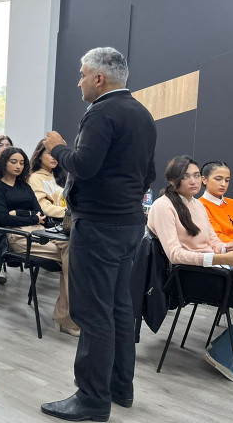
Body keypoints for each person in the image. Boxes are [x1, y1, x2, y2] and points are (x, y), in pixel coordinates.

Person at [41, 47, 156, 421]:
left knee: (92, 312)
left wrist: (57, 147)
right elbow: (148, 174)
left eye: (81, 74)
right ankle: (121, 387)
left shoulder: (102, 112)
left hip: (100, 226)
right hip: (129, 225)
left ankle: (91, 398)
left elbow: (84, 165)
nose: (78, 82)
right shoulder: (142, 113)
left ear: (99, 78)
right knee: (120, 307)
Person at [147, 156, 233, 382]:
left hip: (212, 271)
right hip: (189, 276)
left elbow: (212, 242)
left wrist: (228, 246)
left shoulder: (196, 204)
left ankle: (226, 352)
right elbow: (175, 255)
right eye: (185, 176)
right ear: (173, 179)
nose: (192, 181)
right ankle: (225, 356)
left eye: (195, 176)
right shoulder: (164, 206)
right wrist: (221, 257)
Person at [0, 146, 78, 336]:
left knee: (74, 250)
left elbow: (41, 215)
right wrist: (31, 216)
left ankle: (67, 317)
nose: (18, 166)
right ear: (3, 163)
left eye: (21, 162)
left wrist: (21, 214)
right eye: (13, 162)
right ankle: (67, 318)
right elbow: (4, 219)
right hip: (16, 236)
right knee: (71, 257)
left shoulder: (25, 186)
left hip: (39, 231)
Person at [199, 161, 233, 246]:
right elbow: (216, 237)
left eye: (227, 180)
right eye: (218, 179)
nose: (223, 184)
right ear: (204, 180)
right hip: (227, 252)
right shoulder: (200, 206)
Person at [29, 140, 68, 220]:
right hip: (52, 224)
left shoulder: (61, 176)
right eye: (50, 153)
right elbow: (42, 206)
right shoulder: (34, 178)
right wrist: (69, 213)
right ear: (40, 156)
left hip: (67, 220)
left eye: (56, 154)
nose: (54, 158)